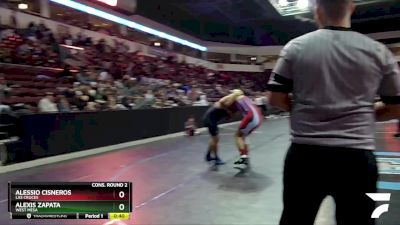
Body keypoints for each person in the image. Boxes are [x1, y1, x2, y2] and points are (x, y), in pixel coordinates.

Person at [267, 1, 400, 225]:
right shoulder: (378, 51)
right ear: (352, 8)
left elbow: (275, 98)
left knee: (295, 219)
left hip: (305, 156)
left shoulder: (295, 47)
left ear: (317, 13)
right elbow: (396, 107)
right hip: (356, 159)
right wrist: (366, 114)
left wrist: (302, 112)